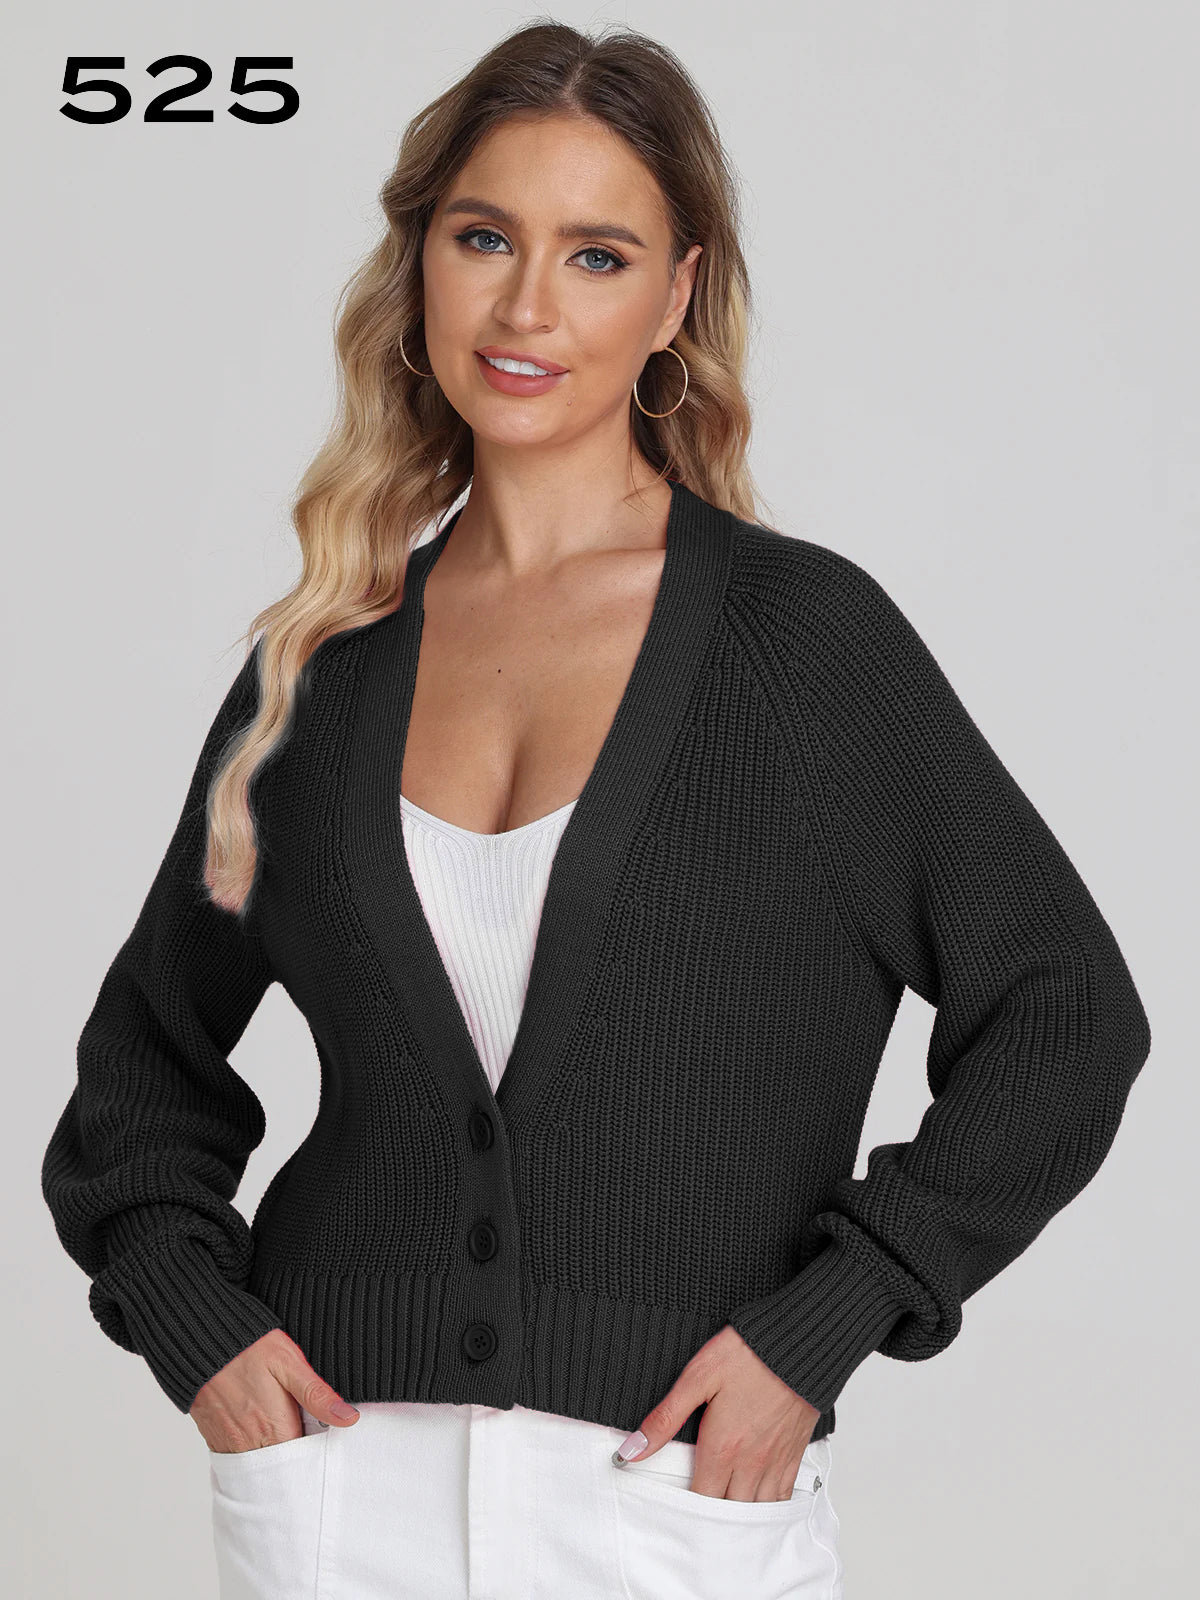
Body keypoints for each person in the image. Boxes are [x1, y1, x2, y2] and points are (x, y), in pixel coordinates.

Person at [41, 20, 1152, 1600]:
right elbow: (142, 1070)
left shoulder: (797, 646)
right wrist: (198, 1324)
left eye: (597, 255)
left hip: (666, 1496)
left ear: (676, 294)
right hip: (338, 1493)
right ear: (420, 258)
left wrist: (829, 1319)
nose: (526, 309)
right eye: (483, 237)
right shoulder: (324, 669)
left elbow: (1065, 1016)